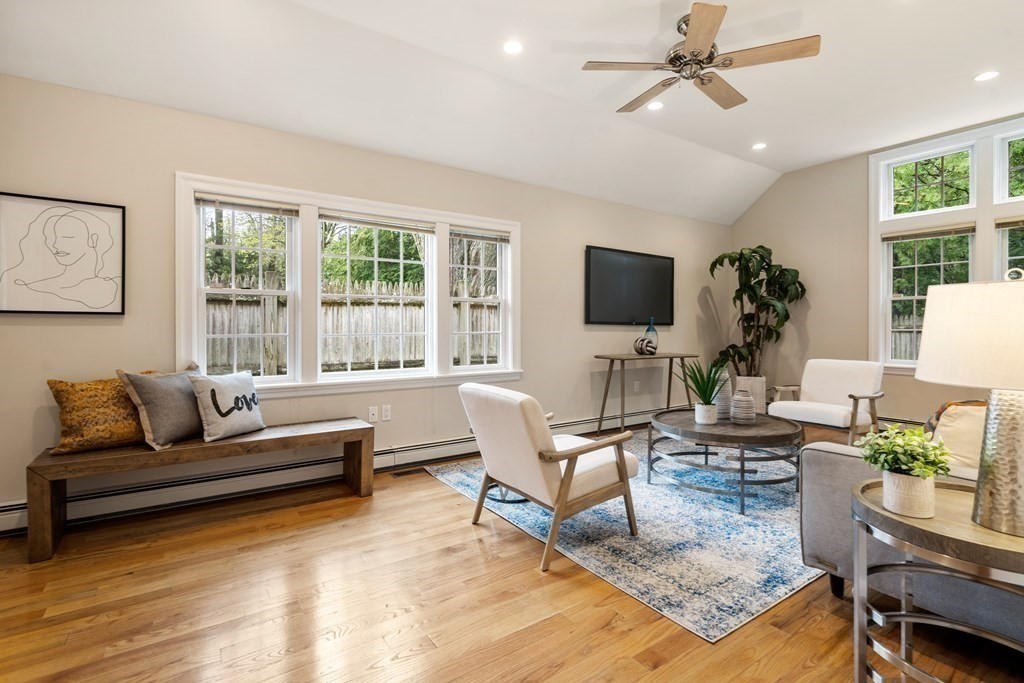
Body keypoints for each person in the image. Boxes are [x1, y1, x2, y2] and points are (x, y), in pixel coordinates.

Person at [0, 206, 121, 311]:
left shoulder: (113, 285)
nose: (55, 245)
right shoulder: (28, 286)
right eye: (50, 238)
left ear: (93, 239)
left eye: (67, 237)